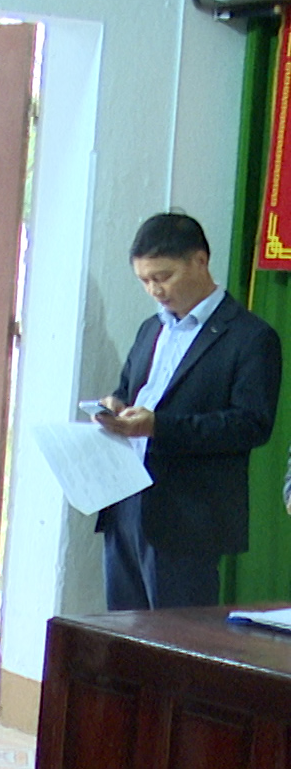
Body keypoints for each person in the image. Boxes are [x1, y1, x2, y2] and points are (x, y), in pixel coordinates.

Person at [94, 213, 281, 610]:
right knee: (120, 635)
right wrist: (115, 406)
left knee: (174, 638)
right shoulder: (151, 328)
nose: (155, 290)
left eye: (163, 277)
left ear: (199, 261)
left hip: (187, 518)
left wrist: (159, 427)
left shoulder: (250, 337)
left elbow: (251, 424)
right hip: (124, 502)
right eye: (144, 280)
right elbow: (129, 391)